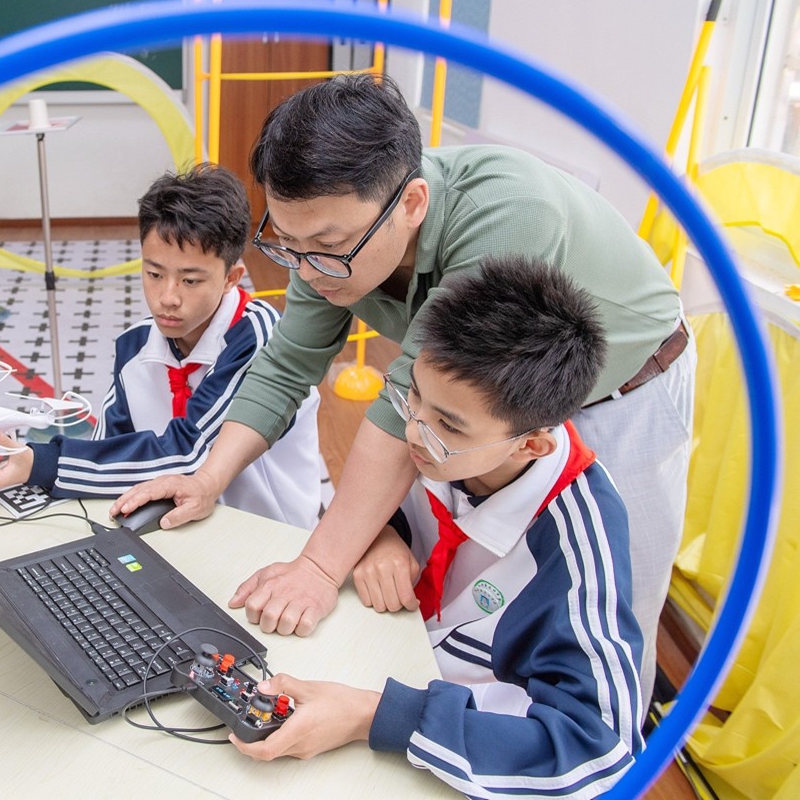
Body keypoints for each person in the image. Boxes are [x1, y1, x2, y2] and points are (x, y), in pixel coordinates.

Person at [112, 73, 693, 702]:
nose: (307, 269)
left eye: (327, 247)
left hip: (625, 391)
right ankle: (475, 713)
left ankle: (611, 743)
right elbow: (287, 366)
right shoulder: (330, 241)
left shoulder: (508, 216)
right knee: (473, 584)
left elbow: (399, 407)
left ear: (411, 206)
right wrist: (207, 477)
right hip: (482, 416)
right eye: (289, 244)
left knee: (608, 605)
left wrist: (316, 566)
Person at [231, 256, 644, 799]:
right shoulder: (446, 452)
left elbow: (600, 749)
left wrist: (373, 715)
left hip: (469, 754)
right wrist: (381, 534)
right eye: (413, 397)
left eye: (448, 424)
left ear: (531, 443)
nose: (416, 434)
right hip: (391, 665)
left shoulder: (577, 539)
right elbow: (377, 506)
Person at [0, 163, 325, 529]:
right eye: (154, 274)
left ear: (231, 278)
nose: (167, 298)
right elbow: (107, 451)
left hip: (272, 537)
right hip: (177, 529)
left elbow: (190, 454)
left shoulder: (260, 337)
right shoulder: (136, 346)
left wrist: (39, 463)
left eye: (190, 280)